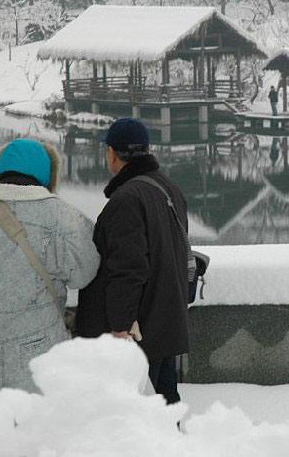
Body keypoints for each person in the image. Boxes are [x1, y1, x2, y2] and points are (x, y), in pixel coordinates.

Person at [0, 138, 100, 393]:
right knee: (33, 424)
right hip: (38, 347)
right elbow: (83, 274)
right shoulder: (64, 216)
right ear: (48, 176)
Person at [76, 118, 190, 404]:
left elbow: (129, 269)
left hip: (139, 332)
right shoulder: (168, 188)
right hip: (166, 321)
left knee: (136, 412)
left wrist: (119, 327)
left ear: (112, 153)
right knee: (164, 403)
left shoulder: (127, 199)